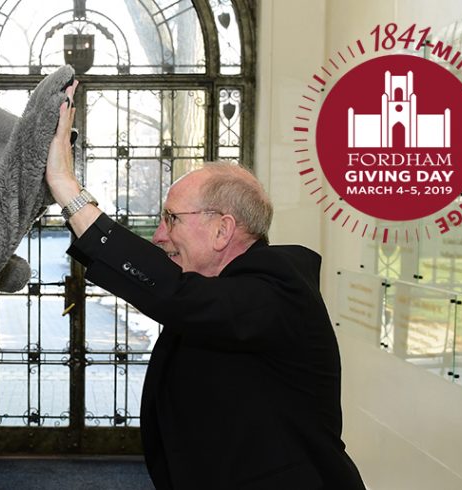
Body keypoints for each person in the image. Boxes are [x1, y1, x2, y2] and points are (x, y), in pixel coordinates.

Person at [46, 83, 365, 489]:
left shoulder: (277, 288)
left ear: (222, 230)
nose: (160, 236)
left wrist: (66, 186)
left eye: (172, 219)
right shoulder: (221, 288)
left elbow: (174, 295)